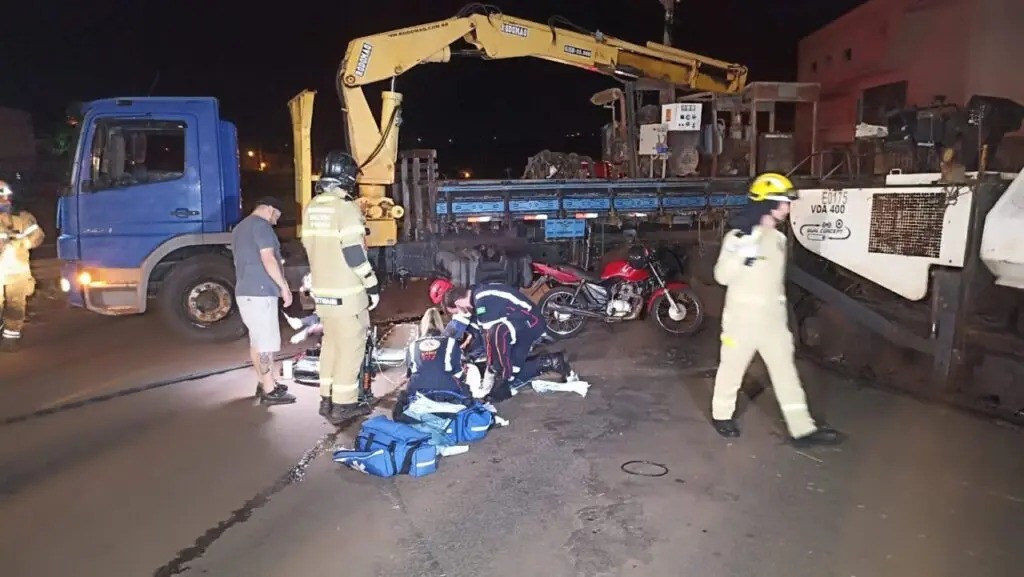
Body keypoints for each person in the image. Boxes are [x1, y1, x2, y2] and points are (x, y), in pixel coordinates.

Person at [710, 172, 843, 447]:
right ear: (766, 203)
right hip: (741, 323)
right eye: (783, 202)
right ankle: (722, 415)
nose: (788, 207)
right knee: (732, 370)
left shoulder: (779, 240)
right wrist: (742, 254)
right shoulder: (738, 237)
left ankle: (802, 429)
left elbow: (775, 285)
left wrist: (784, 323)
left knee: (786, 373)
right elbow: (722, 276)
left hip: (773, 324)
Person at [302, 150, 380, 425]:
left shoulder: (312, 207)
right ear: (346, 178)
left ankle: (327, 399)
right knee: (351, 348)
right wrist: (371, 285)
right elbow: (354, 254)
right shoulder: (346, 208)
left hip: (322, 293)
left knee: (331, 346)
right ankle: (344, 405)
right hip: (347, 295)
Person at [433, 278, 569, 401]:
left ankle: (503, 375)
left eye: (456, 312)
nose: (460, 314)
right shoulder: (478, 293)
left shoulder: (482, 302)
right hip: (522, 323)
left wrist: (492, 371)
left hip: (529, 323)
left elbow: (490, 340)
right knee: (512, 370)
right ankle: (552, 361)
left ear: (458, 303)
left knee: (499, 343)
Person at [231, 196, 296, 405]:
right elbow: (268, 258)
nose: (276, 220)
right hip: (260, 292)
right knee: (265, 343)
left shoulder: (240, 228)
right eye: (276, 215)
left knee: (257, 340)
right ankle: (270, 390)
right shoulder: (261, 226)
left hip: (245, 291)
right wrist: (283, 286)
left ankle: (265, 382)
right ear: (268, 209)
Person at [0, 180, 45, 352]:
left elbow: (37, 236)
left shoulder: (22, 218)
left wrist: (24, 242)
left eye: (5, 196)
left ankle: (10, 339)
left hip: (17, 272)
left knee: (15, 306)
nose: (4, 200)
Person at [405, 308, 466, 395]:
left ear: (423, 324)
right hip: (445, 389)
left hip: (418, 390)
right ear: (440, 323)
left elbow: (409, 373)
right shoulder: (450, 342)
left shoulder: (413, 345)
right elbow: (458, 373)